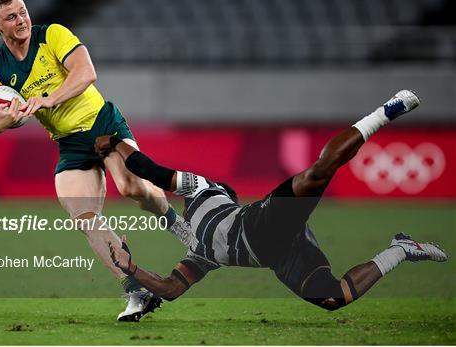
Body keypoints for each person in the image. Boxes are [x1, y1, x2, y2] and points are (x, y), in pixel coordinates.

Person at [99, 89, 447, 310]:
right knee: (332, 298)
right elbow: (171, 288)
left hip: (263, 221)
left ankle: (384, 112)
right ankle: (400, 249)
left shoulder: (202, 187)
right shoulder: (199, 253)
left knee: (316, 173)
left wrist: (115, 144)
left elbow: (152, 171)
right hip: (281, 255)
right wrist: (131, 269)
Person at [0, 0, 190, 321]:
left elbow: (87, 73)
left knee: (132, 188)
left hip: (103, 124)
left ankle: (179, 226)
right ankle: (136, 291)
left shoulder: (52, 35)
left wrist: (48, 99)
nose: (22, 20)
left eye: (23, 11)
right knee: (84, 218)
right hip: (70, 144)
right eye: (11, 17)